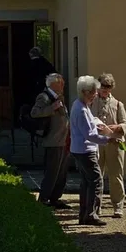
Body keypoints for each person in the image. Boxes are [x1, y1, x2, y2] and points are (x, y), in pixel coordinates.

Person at [69, 75, 123, 226]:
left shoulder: (79, 105)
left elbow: (90, 123)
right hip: (85, 150)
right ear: (85, 92)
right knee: (96, 181)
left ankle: (84, 214)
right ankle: (91, 215)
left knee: (86, 182)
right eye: (93, 92)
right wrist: (108, 139)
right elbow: (90, 135)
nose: (95, 95)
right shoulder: (81, 109)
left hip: (79, 149)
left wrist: (97, 124)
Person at [92, 72, 126, 217]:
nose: (105, 90)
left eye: (108, 87)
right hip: (97, 143)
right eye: (103, 86)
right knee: (97, 175)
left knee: (116, 175)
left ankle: (118, 206)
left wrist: (117, 127)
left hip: (114, 143)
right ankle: (96, 206)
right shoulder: (92, 101)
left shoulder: (118, 104)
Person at [30, 73, 70, 208]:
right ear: (53, 84)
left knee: (61, 172)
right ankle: (44, 198)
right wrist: (52, 108)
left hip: (63, 140)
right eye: (61, 82)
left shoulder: (59, 97)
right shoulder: (44, 97)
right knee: (52, 172)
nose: (63, 84)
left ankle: (55, 198)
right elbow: (34, 112)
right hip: (53, 140)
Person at [19, 46, 56, 133]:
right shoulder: (46, 63)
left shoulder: (27, 65)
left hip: (31, 92)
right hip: (45, 91)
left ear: (31, 55)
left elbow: (23, 79)